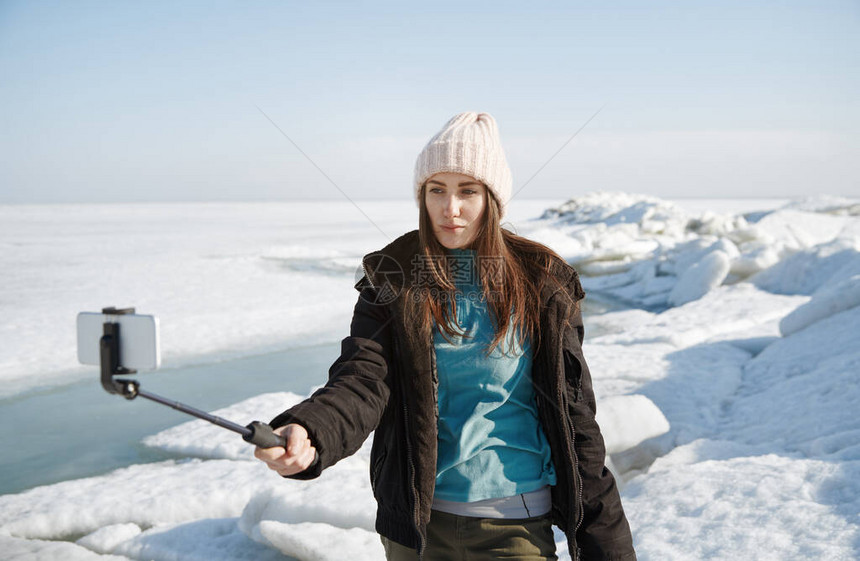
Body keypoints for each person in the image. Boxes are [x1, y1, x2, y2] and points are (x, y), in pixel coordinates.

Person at [255, 112, 637, 561]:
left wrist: (608, 548)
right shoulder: (395, 277)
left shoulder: (542, 283)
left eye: (468, 191)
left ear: (492, 199)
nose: (449, 208)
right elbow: (362, 379)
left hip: (514, 524)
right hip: (416, 530)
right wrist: (312, 429)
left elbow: (575, 420)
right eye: (436, 190)